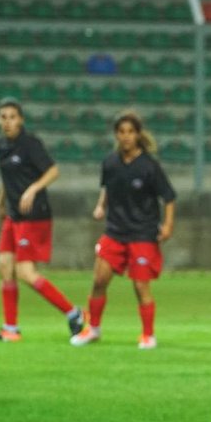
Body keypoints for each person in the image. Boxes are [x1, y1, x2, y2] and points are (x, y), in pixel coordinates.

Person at [71, 112, 176, 349]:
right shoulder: (110, 163)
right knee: (99, 280)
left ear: (138, 135)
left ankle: (148, 335)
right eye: (121, 132)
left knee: (140, 286)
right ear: (116, 135)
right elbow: (107, 188)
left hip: (142, 234)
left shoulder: (149, 166)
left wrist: (168, 225)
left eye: (130, 132)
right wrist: (101, 205)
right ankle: (93, 329)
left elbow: (169, 197)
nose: (126, 136)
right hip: (115, 232)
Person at [0, 98, 84, 342]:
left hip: (34, 215)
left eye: (12, 117)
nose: (7, 122)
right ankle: (10, 329)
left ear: (21, 120)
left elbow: (53, 171)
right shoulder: (1, 146)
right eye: (3, 117)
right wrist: (0, 200)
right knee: (4, 266)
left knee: (26, 272)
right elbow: (7, 176)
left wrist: (33, 189)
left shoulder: (30, 144)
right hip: (14, 215)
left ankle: (74, 313)